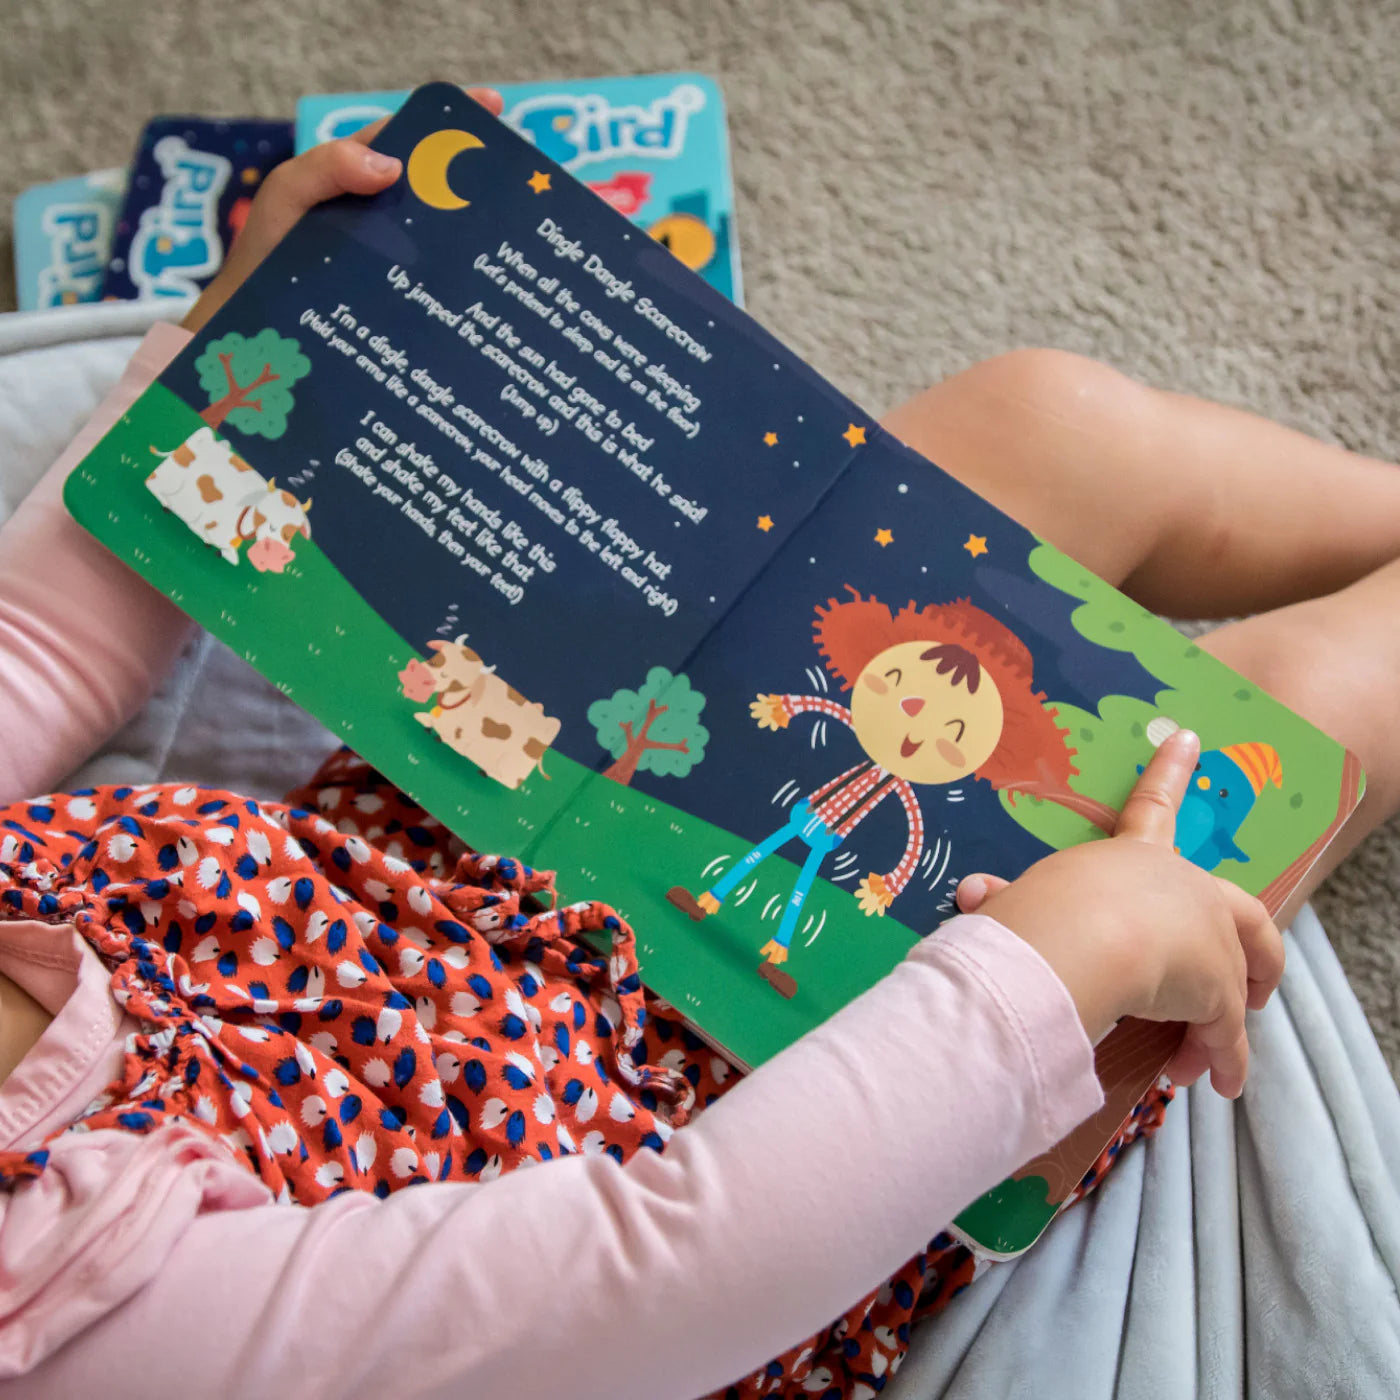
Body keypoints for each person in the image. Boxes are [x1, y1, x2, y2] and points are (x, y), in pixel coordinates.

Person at [0, 90, 1394, 1400]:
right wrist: (1048, 965)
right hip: (766, 1113)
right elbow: (661, 1268)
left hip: (448, 835)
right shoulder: (70, 1309)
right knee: (1265, 738)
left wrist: (217, 361)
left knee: (1052, 422)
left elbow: (37, 652)